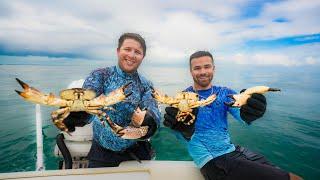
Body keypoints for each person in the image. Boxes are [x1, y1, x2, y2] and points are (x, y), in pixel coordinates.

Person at [163, 51, 302, 180]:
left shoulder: (225, 93)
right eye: (197, 68)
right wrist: (185, 130)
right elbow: (180, 136)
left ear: (213, 68)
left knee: (276, 169)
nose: (203, 71)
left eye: (207, 67)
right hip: (212, 160)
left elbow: (242, 116)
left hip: (233, 150)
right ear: (191, 71)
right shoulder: (183, 98)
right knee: (293, 178)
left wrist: (251, 113)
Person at [63, 33, 161, 168]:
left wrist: (149, 119)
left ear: (142, 57)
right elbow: (89, 96)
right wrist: (79, 114)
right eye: (127, 49)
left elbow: (153, 109)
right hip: (102, 151)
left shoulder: (145, 84)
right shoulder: (100, 75)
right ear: (118, 51)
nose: (132, 55)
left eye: (137, 52)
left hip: (135, 149)